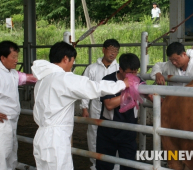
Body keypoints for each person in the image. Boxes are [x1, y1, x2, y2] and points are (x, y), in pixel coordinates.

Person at [31, 41, 129, 170]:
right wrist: (122, 84)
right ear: (66, 59)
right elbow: (94, 87)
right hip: (55, 140)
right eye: (72, 61)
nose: (72, 65)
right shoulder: (64, 78)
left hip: (42, 136)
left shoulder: (43, 80)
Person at [0, 40, 36, 170]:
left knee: (10, 157)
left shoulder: (13, 74)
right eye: (13, 57)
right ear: (2, 58)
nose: (16, 60)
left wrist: (53, 72)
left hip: (11, 122)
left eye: (17, 57)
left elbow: (30, 78)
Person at [96, 53, 148, 170]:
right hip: (108, 131)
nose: (133, 75)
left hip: (129, 131)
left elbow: (151, 96)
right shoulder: (108, 80)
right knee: (104, 165)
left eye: (136, 72)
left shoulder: (139, 81)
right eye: (130, 73)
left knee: (128, 165)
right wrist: (130, 93)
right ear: (120, 69)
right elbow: (109, 104)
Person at [80, 39, 120, 170]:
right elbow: (85, 88)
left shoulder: (119, 69)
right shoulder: (92, 68)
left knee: (114, 134)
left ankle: (115, 165)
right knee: (94, 134)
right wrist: (84, 107)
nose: (113, 53)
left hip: (114, 107)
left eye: (116, 51)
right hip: (96, 106)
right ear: (103, 49)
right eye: (110, 50)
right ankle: (95, 163)